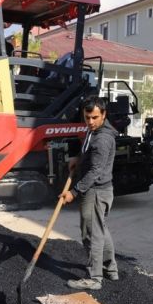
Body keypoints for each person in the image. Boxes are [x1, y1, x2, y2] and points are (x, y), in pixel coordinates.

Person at [60, 96, 119, 290]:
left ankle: (95, 278)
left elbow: (96, 171)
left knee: (91, 233)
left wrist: (74, 192)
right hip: (99, 189)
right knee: (100, 229)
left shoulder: (103, 139)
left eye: (94, 117)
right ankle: (110, 269)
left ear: (104, 114)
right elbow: (89, 153)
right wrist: (78, 158)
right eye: (87, 117)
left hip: (95, 191)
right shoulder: (95, 130)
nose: (90, 122)